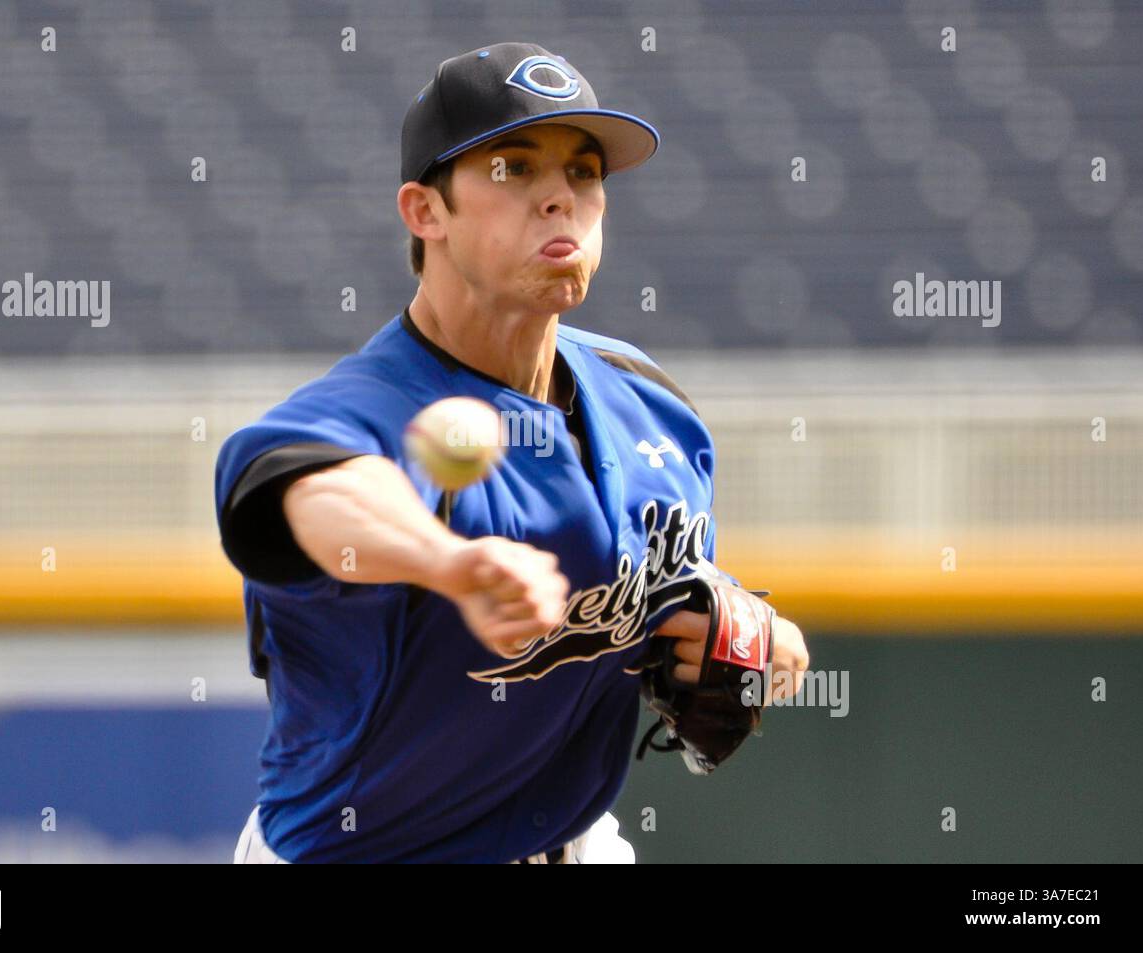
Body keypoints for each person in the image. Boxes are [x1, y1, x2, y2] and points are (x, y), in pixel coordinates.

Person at [216, 41, 808, 864]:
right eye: (514, 168)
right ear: (426, 212)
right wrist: (447, 563)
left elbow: (660, 573)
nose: (559, 198)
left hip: (576, 843)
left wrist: (747, 625)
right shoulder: (371, 410)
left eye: (584, 172)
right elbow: (309, 495)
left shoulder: (654, 404)